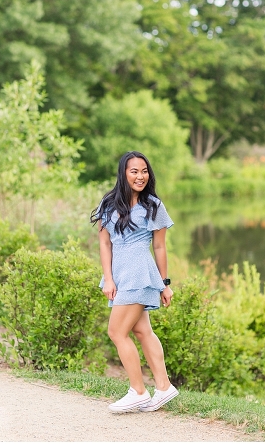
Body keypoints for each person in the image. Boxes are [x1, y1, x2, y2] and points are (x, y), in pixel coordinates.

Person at [90, 151, 179, 413]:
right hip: (120, 273)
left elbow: (160, 247)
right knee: (141, 331)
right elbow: (105, 243)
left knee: (117, 332)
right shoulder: (108, 204)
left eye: (144, 171)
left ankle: (138, 392)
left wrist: (164, 283)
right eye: (134, 171)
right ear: (123, 174)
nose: (141, 176)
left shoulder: (153, 205)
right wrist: (108, 277)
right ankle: (163, 387)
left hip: (140, 272)